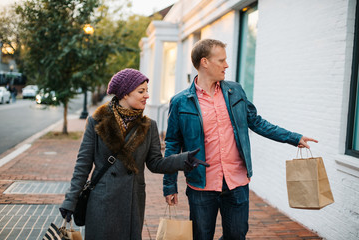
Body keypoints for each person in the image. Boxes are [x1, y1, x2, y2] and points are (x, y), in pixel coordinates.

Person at [163, 39, 318, 240]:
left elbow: (257, 122)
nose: (227, 65)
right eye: (221, 60)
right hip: (201, 185)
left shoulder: (234, 90)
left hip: (236, 182)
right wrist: (170, 185)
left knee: (237, 236)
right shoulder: (180, 102)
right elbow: (172, 144)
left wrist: (293, 138)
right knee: (201, 236)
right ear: (205, 62)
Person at [59, 68, 209, 240]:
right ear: (124, 94)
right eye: (141, 91)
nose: (147, 95)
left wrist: (183, 160)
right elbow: (83, 165)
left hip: (132, 203)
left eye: (147, 91)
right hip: (102, 202)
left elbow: (155, 163)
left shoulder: (149, 126)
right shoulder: (97, 122)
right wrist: (70, 201)